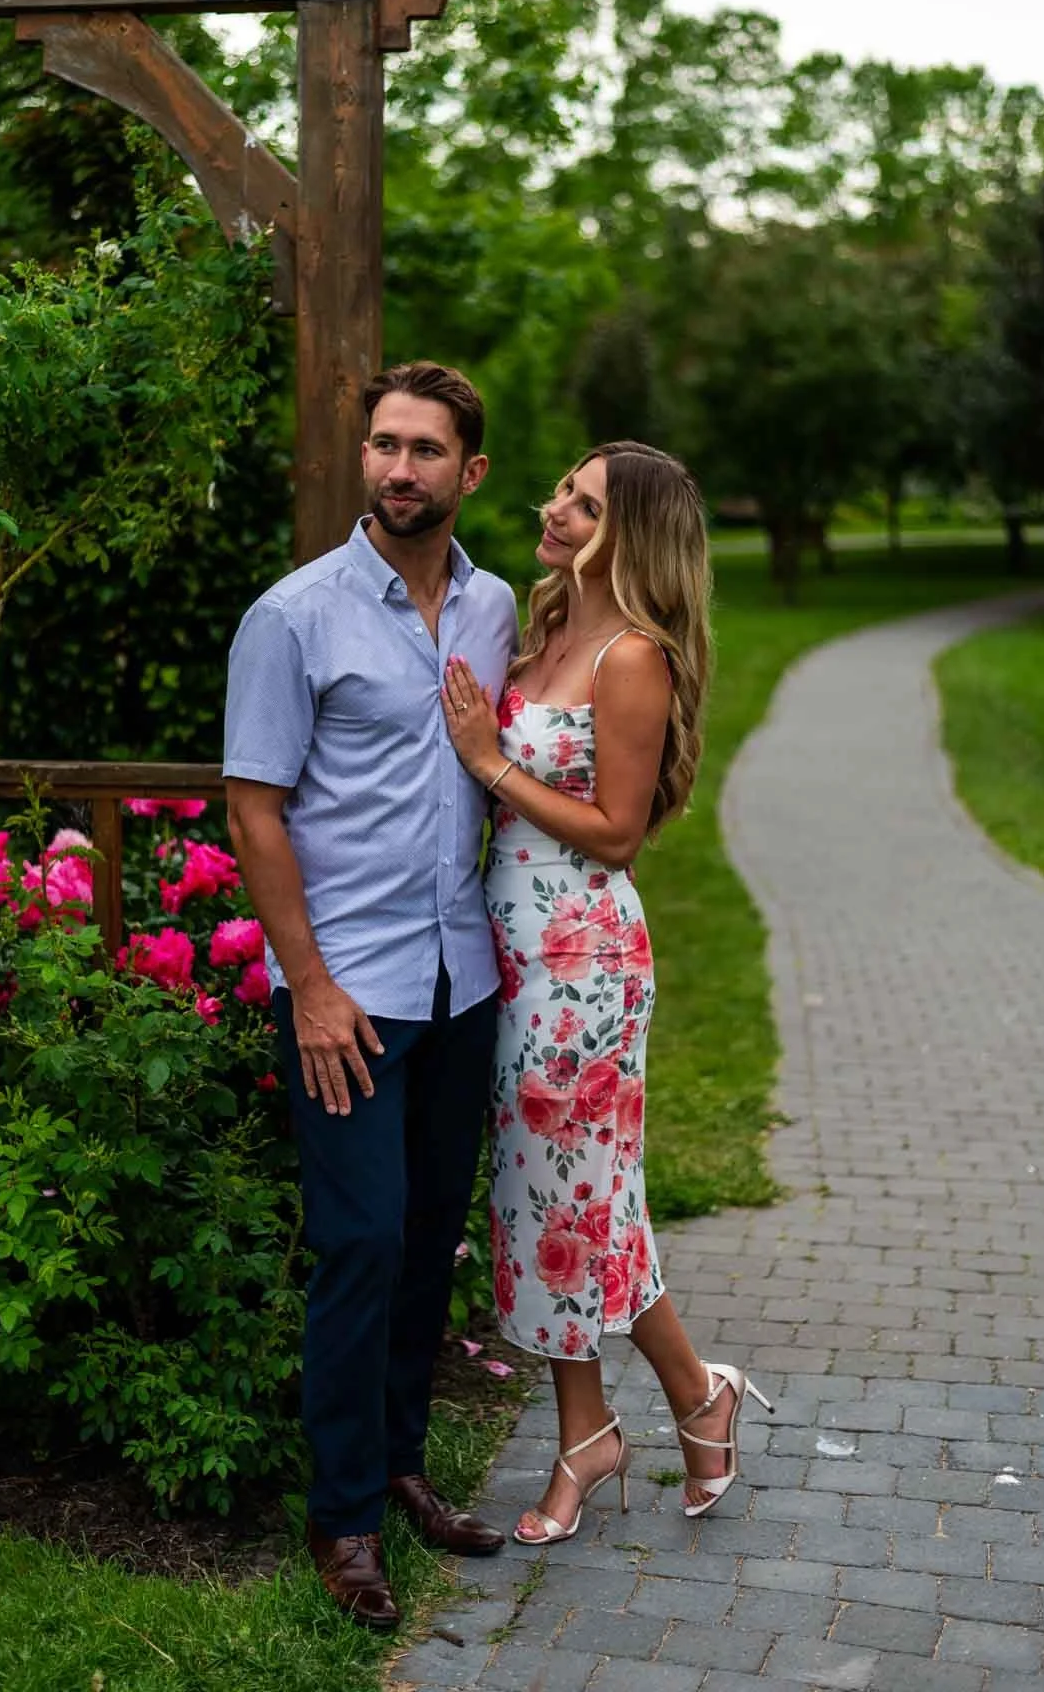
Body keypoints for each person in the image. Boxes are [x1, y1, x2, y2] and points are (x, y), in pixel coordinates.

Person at [223, 361, 519, 1630]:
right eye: (384, 445)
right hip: (348, 992)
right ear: (364, 459)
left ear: (470, 472)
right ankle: (341, 1516)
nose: (400, 468)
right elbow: (254, 808)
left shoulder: (494, 607)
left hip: (460, 980)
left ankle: (400, 1466)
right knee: (357, 1244)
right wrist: (308, 987)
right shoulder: (293, 615)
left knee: (423, 1237)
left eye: (425, 450)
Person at [440, 440, 774, 1545]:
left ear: (629, 537)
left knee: (574, 1201)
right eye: (561, 491)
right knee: (553, 1200)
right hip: (511, 947)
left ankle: (663, 1407)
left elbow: (617, 833)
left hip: (582, 962)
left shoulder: (631, 657)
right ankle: (639, 1416)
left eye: (582, 506)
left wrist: (489, 761)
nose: (553, 509)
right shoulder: (543, 628)